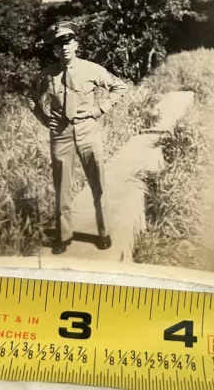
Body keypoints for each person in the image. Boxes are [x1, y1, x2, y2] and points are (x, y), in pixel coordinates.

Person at [28, 21, 127, 255]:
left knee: (98, 185)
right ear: (54, 49)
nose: (64, 47)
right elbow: (31, 98)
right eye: (59, 44)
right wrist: (44, 119)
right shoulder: (46, 75)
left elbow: (119, 87)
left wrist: (99, 110)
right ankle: (63, 236)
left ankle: (103, 232)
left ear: (76, 44)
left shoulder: (92, 69)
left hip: (88, 131)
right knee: (62, 188)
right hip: (61, 135)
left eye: (68, 42)